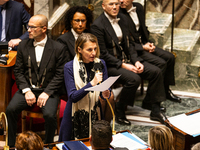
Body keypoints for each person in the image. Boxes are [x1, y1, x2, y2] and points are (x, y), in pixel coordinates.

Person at [91, 0, 166, 125]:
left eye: (116, 4)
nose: (115, 7)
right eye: (111, 4)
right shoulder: (97, 25)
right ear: (103, 6)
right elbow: (102, 54)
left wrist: (136, 61)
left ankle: (155, 109)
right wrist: (123, 65)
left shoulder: (123, 18)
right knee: (134, 79)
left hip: (128, 60)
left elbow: (130, 44)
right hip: (110, 65)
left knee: (156, 72)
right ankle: (120, 109)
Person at [6, 14, 67, 147]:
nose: (28, 30)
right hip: (28, 88)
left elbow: (60, 74)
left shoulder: (58, 48)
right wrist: (27, 90)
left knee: (50, 115)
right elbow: (18, 71)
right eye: (28, 27)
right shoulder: (23, 46)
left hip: (48, 90)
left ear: (44, 29)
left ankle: (48, 145)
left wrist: (47, 93)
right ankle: (10, 145)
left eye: (32, 27)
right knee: (10, 110)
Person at [119, 0, 181, 108]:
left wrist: (148, 42)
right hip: (135, 49)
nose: (121, 1)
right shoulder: (119, 14)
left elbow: (143, 28)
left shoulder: (138, 7)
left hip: (143, 44)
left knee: (170, 57)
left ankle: (165, 90)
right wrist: (142, 47)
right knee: (161, 63)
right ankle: (150, 100)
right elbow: (126, 42)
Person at [59, 33, 114, 141]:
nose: (93, 53)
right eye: (89, 50)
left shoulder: (101, 63)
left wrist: (105, 94)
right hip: (73, 115)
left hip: (96, 114)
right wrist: (91, 84)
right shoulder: (69, 67)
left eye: (95, 49)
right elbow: (73, 97)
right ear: (79, 49)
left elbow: (105, 88)